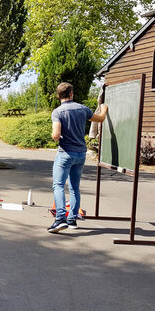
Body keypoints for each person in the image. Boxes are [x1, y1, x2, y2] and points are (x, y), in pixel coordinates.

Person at [48, 82, 108, 233]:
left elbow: (56, 134)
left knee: (59, 185)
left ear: (58, 96)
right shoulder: (83, 109)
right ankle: (72, 219)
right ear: (71, 94)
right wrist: (104, 110)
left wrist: (54, 136)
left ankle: (60, 219)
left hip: (65, 153)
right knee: (75, 187)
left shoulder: (57, 112)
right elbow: (100, 119)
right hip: (81, 153)